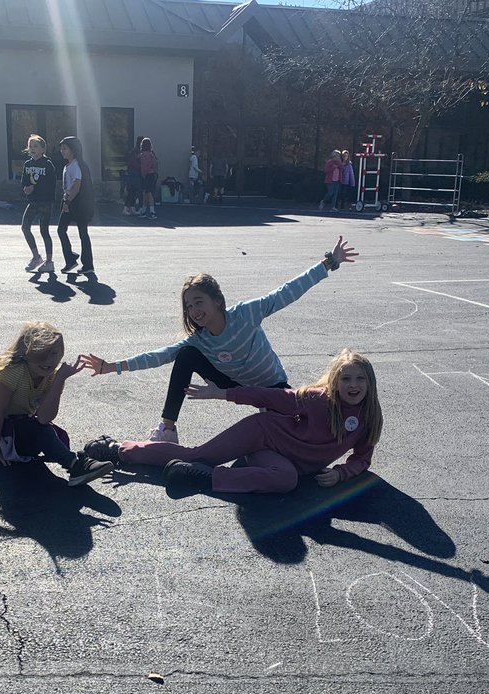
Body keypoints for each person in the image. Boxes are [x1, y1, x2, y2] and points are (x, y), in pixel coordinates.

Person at [79, 236, 357, 443]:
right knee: (185, 355)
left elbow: (287, 292)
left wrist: (328, 263)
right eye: (188, 306)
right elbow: (159, 355)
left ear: (217, 301)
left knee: (298, 425)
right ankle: (167, 429)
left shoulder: (247, 314)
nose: (194, 311)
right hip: (234, 384)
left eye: (198, 302)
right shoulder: (199, 340)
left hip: (272, 386)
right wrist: (111, 366)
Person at [84, 348, 382, 498]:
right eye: (346, 378)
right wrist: (222, 393)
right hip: (262, 433)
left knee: (286, 479)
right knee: (194, 455)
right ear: (335, 381)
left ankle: (205, 478)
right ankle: (118, 449)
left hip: (279, 460)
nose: (353, 385)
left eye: (359, 379)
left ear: (369, 384)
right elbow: (268, 396)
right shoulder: (319, 399)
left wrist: (342, 474)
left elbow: (362, 458)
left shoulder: (368, 417)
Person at [0, 322, 115, 487]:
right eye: (42, 355)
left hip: (19, 427)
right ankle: (75, 465)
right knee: (39, 430)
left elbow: (44, 417)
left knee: (42, 429)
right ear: (27, 353)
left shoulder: (51, 375)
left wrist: (60, 380)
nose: (49, 361)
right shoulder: (12, 371)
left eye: (55, 354)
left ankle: (76, 464)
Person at [57, 135, 95, 277]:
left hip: (78, 204)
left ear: (73, 150)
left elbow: (77, 186)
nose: (62, 151)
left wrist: (67, 202)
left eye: (65, 148)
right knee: (62, 230)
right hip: (70, 201)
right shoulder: (68, 166)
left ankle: (88, 264)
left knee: (82, 233)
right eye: (61, 148)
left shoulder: (77, 166)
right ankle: (71, 258)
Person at [20, 134, 57, 274]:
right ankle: (36, 257)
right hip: (33, 201)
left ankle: (49, 261)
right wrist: (26, 188)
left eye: (35, 146)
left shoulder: (47, 164)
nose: (32, 149)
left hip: (45, 201)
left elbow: (50, 184)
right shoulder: (27, 164)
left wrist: (36, 188)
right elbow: (24, 181)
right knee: (25, 227)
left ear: (43, 149)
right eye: (30, 146)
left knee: (44, 230)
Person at [138, 137, 159, 219]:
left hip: (146, 176)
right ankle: (144, 211)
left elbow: (144, 167)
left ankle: (152, 211)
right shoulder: (152, 155)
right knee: (148, 193)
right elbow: (155, 164)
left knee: (147, 193)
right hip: (152, 175)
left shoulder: (143, 155)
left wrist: (143, 175)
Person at [124, 135, 143, 215]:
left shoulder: (135, 151)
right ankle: (126, 207)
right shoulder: (136, 151)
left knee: (134, 191)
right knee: (132, 190)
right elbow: (133, 163)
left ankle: (131, 207)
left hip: (134, 172)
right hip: (134, 172)